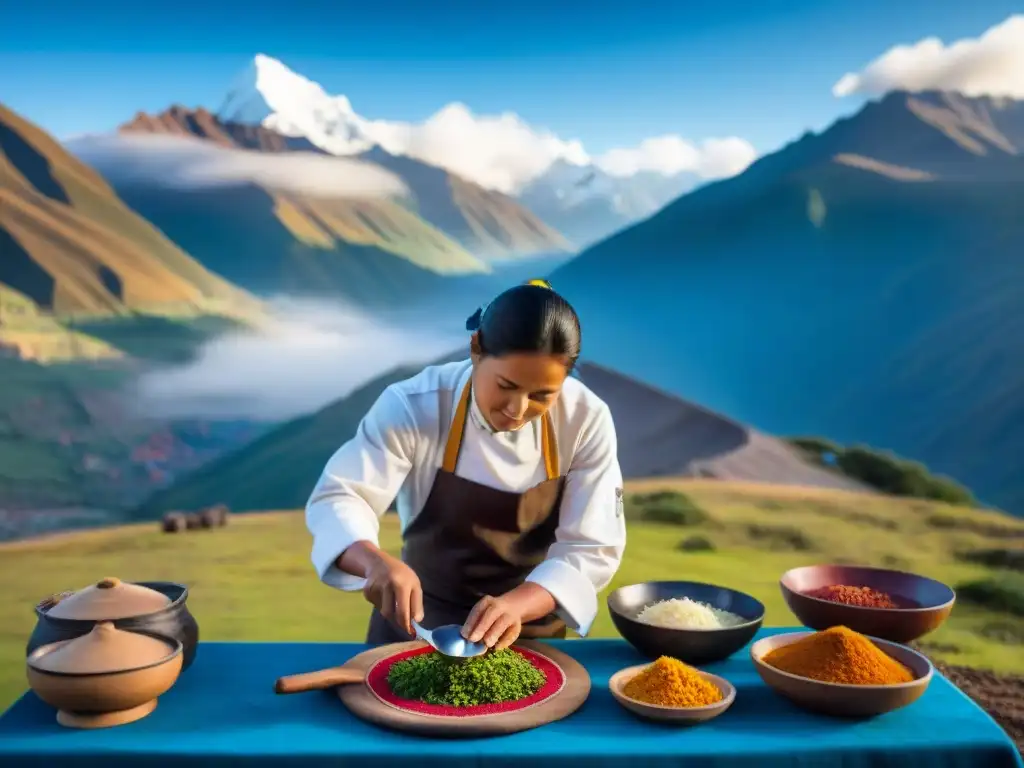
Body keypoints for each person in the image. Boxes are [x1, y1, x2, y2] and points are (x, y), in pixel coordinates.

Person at [305, 280, 626, 650]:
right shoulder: (414, 406)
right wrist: (373, 562)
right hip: (416, 629)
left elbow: (591, 548)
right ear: (476, 349)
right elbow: (341, 496)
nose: (517, 411)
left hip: (527, 636)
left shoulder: (586, 420)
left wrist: (516, 606)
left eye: (542, 396)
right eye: (505, 385)